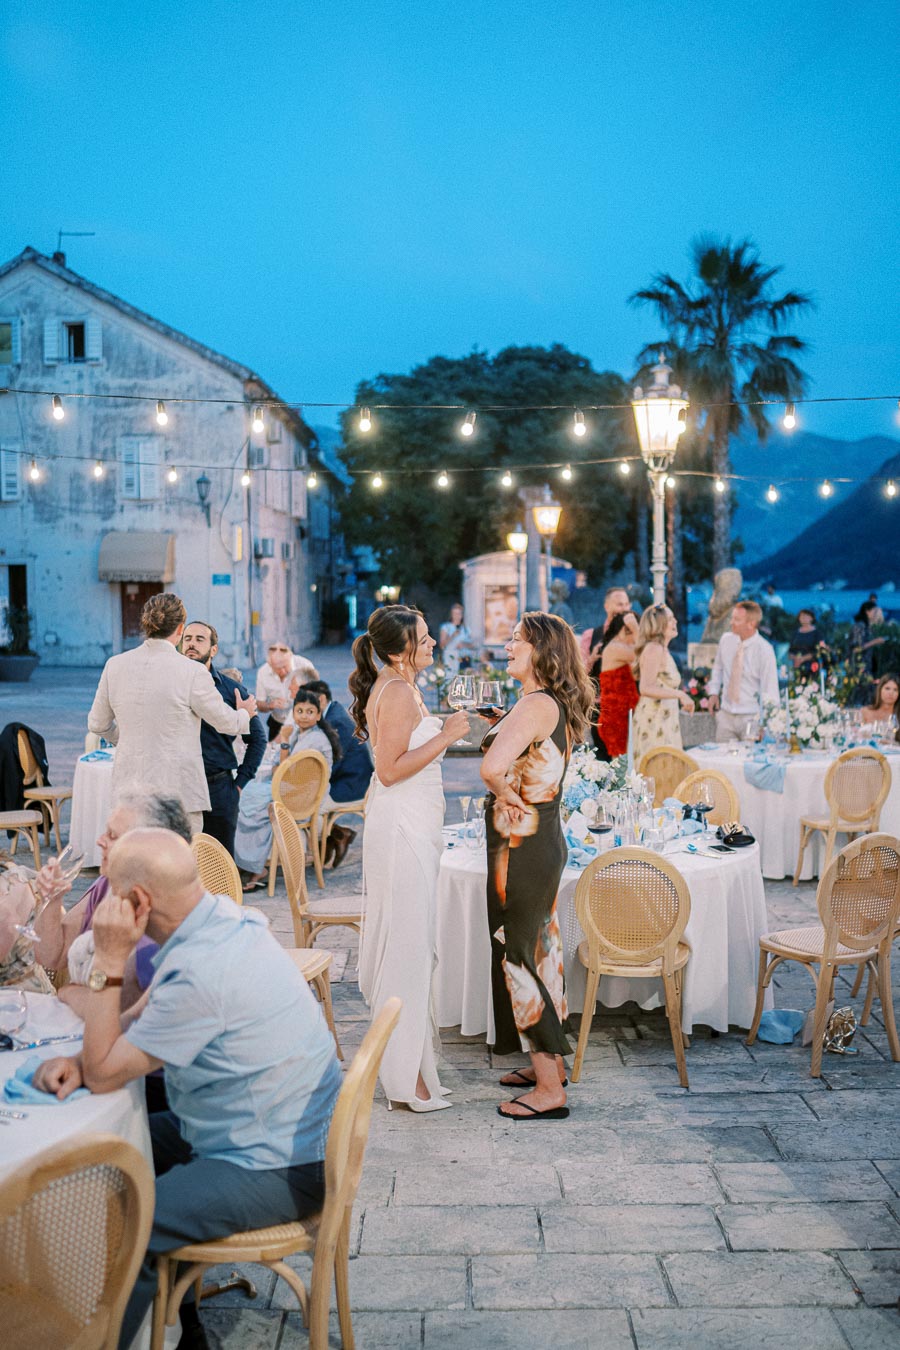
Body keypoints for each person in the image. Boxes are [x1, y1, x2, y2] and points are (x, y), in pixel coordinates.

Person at [32, 829, 341, 1350]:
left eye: (108, 894)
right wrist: (82, 1061)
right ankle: (168, 1321)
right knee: (95, 1154)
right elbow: (140, 1021)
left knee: (132, 1222)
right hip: (260, 1123)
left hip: (275, 1163)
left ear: (139, 902)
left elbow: (109, 1072)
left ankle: (110, 1333)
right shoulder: (224, 918)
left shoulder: (201, 970)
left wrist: (108, 962)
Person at [350, 604, 469, 1111]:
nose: (434, 643)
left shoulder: (404, 685)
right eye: (425, 639)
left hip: (415, 822)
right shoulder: (396, 691)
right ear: (402, 650)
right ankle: (406, 1081)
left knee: (415, 943)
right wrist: (446, 736)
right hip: (401, 826)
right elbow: (391, 769)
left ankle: (415, 1069)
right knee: (407, 947)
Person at [480, 612, 594, 1121]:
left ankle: (549, 1089)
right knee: (541, 952)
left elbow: (489, 769)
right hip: (541, 838)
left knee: (518, 956)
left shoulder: (533, 706)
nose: (507, 646)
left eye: (516, 641)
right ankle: (545, 1063)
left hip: (520, 845)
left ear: (540, 651)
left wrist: (504, 793)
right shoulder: (545, 703)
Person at [88, 593, 256, 834]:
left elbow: (97, 723)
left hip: (129, 789)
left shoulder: (115, 665)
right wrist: (244, 714)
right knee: (180, 864)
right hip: (179, 793)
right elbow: (226, 723)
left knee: (134, 864)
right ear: (180, 629)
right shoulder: (192, 671)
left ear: (146, 626)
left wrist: (125, 739)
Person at [234, 689, 340, 891]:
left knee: (246, 799)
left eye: (310, 712)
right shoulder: (299, 734)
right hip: (292, 789)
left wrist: (283, 742)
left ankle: (255, 866)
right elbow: (279, 768)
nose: (304, 716)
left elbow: (283, 770)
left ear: (318, 715)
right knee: (245, 794)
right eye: (300, 711)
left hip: (302, 798)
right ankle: (250, 861)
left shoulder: (314, 739)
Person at [181, 620, 267, 856]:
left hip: (217, 789)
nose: (192, 644)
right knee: (179, 866)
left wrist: (239, 784)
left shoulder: (232, 690)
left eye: (200, 639)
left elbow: (257, 740)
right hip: (178, 787)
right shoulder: (170, 686)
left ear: (213, 649)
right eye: (187, 639)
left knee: (219, 866)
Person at [297, 680, 373, 869]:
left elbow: (330, 766)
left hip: (352, 785)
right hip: (345, 777)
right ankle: (330, 838)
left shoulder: (335, 720)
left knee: (308, 807)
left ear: (321, 699)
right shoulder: (332, 712)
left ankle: (334, 836)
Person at [707, 600, 780, 742]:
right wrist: (713, 693)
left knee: (748, 762)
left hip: (751, 718)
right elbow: (718, 668)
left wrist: (766, 724)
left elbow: (770, 689)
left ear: (751, 624)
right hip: (725, 716)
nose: (731, 622)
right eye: (732, 618)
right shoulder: (725, 640)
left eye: (737, 619)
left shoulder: (765, 650)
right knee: (722, 762)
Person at [632, 604, 695, 756]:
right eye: (670, 619)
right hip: (654, 721)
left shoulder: (662, 649)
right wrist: (680, 694)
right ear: (659, 625)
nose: (675, 622)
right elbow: (645, 688)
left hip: (664, 718)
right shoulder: (654, 649)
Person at [595, 611, 640, 759]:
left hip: (624, 715)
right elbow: (642, 653)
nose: (632, 637)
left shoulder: (620, 648)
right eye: (628, 631)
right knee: (622, 768)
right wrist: (635, 628)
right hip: (616, 718)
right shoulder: (614, 647)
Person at [256, 641, 319, 741]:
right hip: (277, 722)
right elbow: (259, 704)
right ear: (270, 665)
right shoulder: (263, 672)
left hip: (303, 723)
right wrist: (270, 705)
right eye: (277, 669)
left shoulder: (305, 666)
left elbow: (315, 698)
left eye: (285, 667)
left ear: (291, 659)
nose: (283, 672)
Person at [579, 586, 631, 667]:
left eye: (627, 604)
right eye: (619, 604)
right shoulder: (590, 635)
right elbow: (579, 673)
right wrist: (591, 659)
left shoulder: (635, 633)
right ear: (606, 606)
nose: (625, 609)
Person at [850, 600, 886, 675]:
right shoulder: (860, 626)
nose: (876, 614)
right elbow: (856, 648)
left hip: (867, 666)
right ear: (867, 611)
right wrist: (875, 641)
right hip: (859, 667)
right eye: (875, 611)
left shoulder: (867, 627)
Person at [438, 603, 475, 675]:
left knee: (465, 681)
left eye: (459, 613)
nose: (457, 616)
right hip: (451, 659)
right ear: (451, 615)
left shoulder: (466, 629)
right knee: (452, 681)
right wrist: (452, 636)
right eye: (455, 613)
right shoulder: (446, 627)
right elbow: (442, 645)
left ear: (462, 615)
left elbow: (473, 645)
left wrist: (464, 645)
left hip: (465, 659)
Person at [788, 608, 824, 676]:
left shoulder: (817, 633)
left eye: (806, 616)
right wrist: (795, 659)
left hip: (812, 665)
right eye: (801, 616)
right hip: (796, 665)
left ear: (812, 618)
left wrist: (803, 659)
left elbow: (819, 650)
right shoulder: (795, 633)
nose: (804, 618)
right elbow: (790, 650)